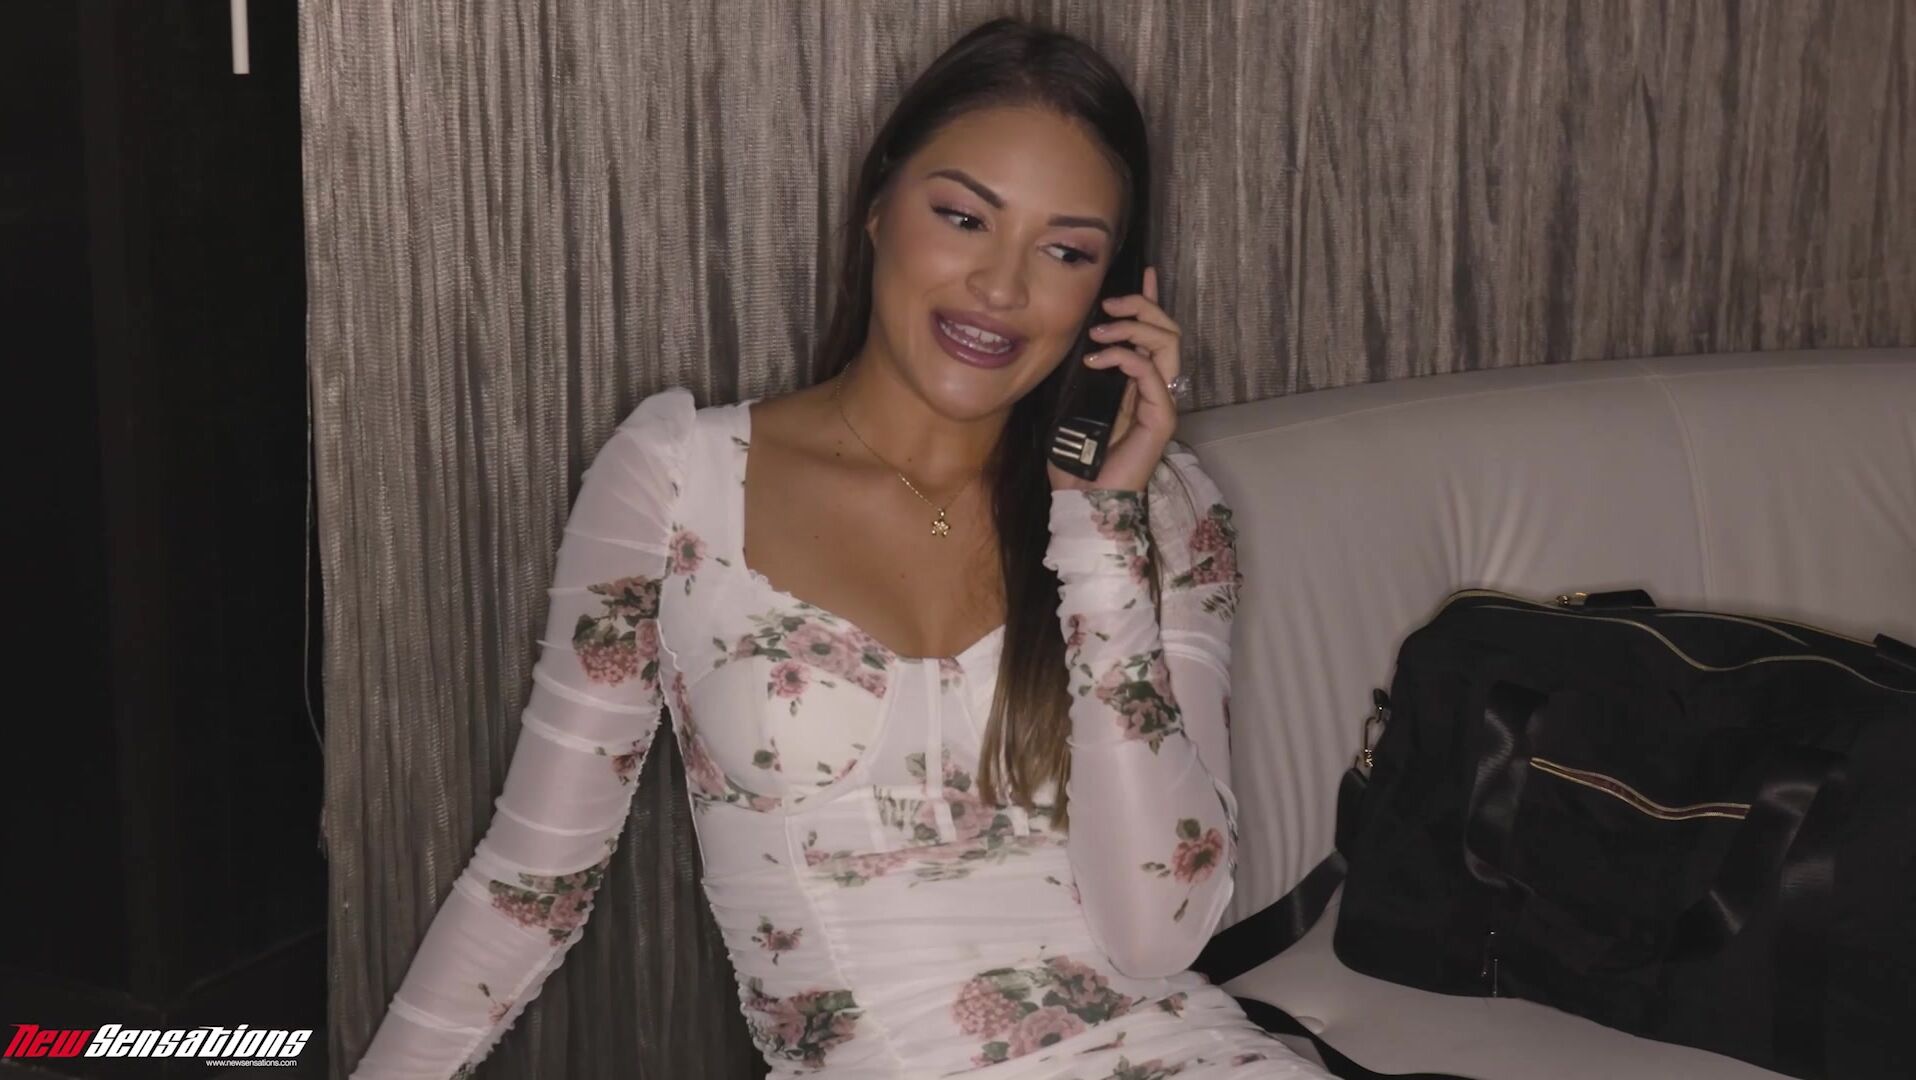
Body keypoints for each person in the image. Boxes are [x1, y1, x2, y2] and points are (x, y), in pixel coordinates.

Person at [350, 15, 1331, 1079]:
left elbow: (1159, 936)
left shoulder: (1163, 510)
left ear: (1111, 294)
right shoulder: (679, 480)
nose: (1003, 288)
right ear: (876, 207)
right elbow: (529, 888)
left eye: (1065, 252)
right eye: (963, 217)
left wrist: (1097, 535)